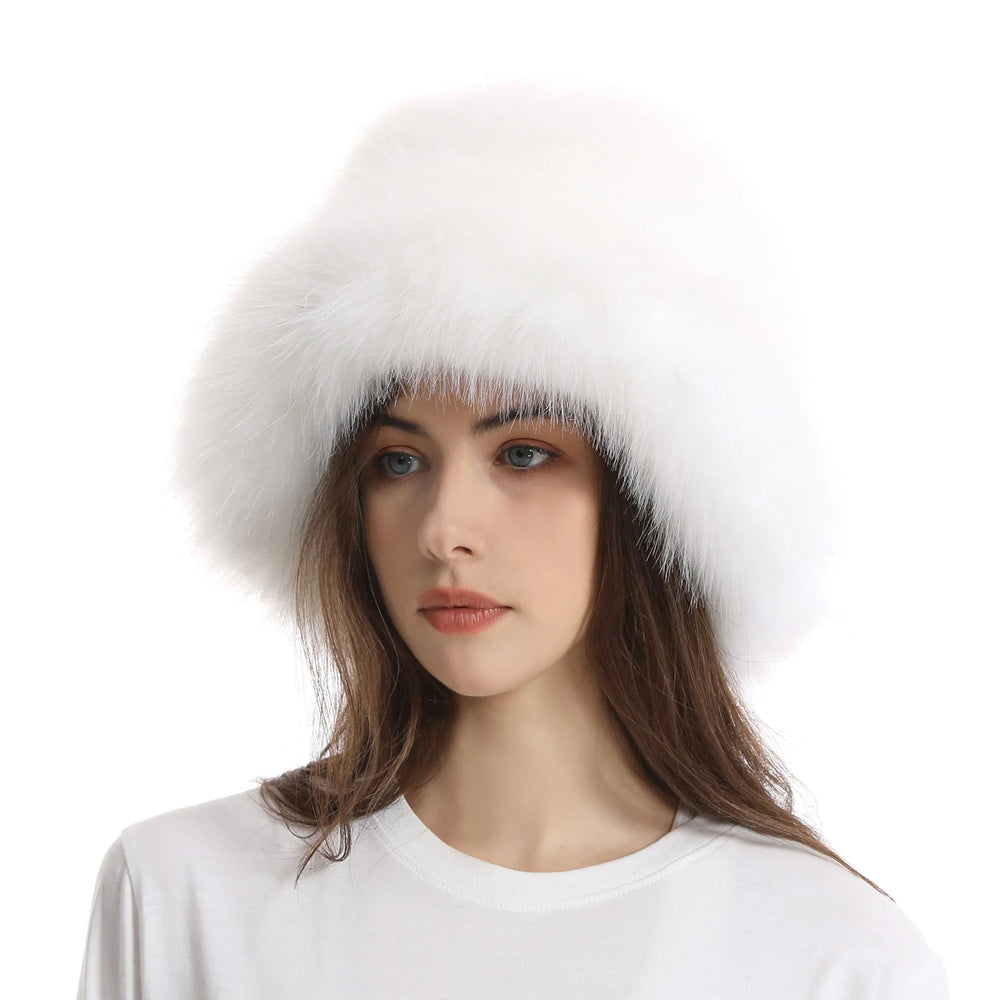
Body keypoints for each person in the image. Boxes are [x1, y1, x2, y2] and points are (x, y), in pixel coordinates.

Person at [76, 80, 950, 998]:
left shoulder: (831, 957)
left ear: (651, 497)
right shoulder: (184, 895)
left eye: (525, 453)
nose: (444, 531)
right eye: (398, 461)